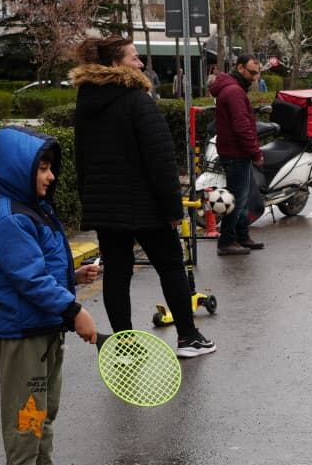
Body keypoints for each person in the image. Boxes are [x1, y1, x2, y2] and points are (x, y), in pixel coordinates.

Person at [0, 127, 100, 465]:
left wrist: (74, 277)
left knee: (45, 410)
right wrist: (74, 311)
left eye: (51, 168)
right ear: (18, 169)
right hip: (24, 333)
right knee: (25, 415)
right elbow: (28, 280)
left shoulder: (33, 211)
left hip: (45, 328)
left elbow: (40, 269)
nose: (50, 176)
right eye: (42, 168)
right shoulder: (9, 220)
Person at [71, 36, 215, 359]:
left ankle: (124, 347)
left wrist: (89, 202)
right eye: (134, 58)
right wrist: (173, 207)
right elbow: (160, 158)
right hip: (146, 205)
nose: (141, 64)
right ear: (116, 64)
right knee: (171, 265)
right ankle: (188, 337)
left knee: (118, 273)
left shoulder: (87, 101)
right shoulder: (138, 100)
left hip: (107, 206)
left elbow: (81, 158)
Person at [211, 54, 265, 256]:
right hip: (236, 153)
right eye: (252, 72)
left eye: (257, 73)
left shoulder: (233, 88)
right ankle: (226, 241)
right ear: (240, 68)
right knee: (238, 200)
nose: (254, 77)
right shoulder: (234, 91)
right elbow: (242, 127)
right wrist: (256, 153)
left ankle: (242, 236)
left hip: (234, 152)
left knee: (243, 198)